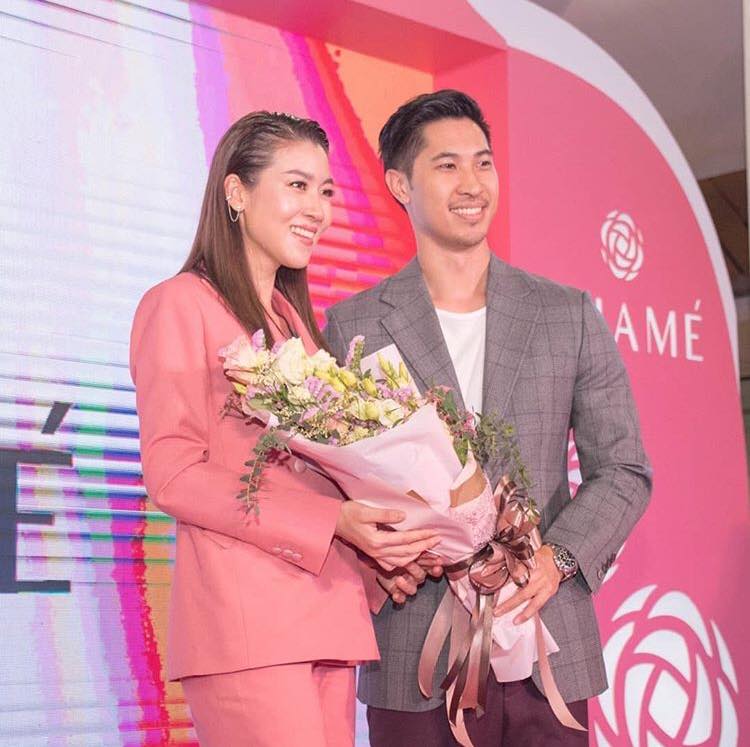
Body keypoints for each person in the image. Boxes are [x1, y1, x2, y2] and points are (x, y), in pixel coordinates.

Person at [324, 90, 653, 746]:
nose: (472, 183)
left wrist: (558, 558)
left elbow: (623, 468)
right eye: (447, 166)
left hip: (545, 642)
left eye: (483, 162)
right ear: (400, 184)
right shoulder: (353, 326)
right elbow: (333, 488)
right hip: (416, 651)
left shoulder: (566, 314)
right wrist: (382, 557)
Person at [129, 111, 441, 747]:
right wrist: (334, 523)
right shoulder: (180, 304)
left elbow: (315, 476)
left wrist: (373, 554)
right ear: (236, 192)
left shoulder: (294, 325)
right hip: (247, 624)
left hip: (325, 614)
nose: (317, 210)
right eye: (297, 185)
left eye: (325, 191)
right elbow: (175, 474)